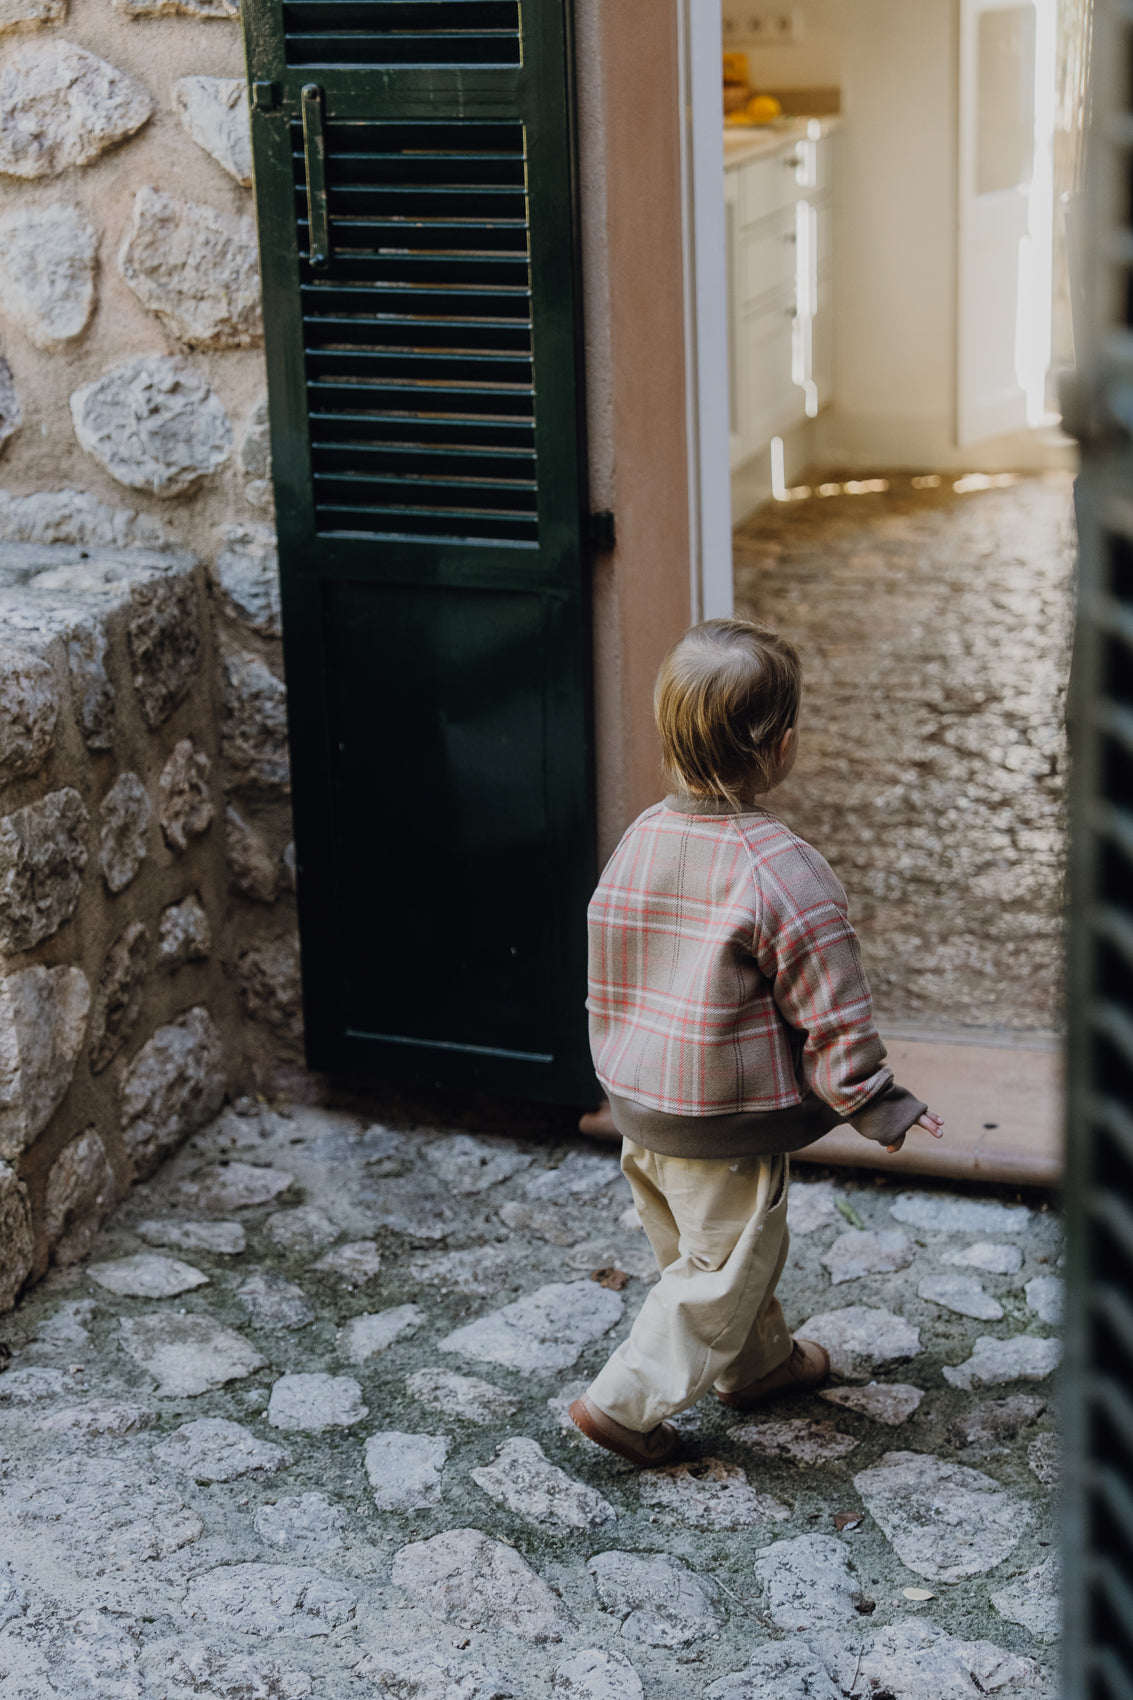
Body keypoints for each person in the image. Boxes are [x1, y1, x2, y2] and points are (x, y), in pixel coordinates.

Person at [569, 617, 943, 1466]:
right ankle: (619, 1406)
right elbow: (831, 1005)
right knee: (717, 1274)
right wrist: (876, 1101)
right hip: (719, 1119)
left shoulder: (640, 839)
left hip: (643, 1108)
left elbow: (612, 961)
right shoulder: (781, 868)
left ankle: (757, 1363)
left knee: (708, 1253)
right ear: (781, 745)